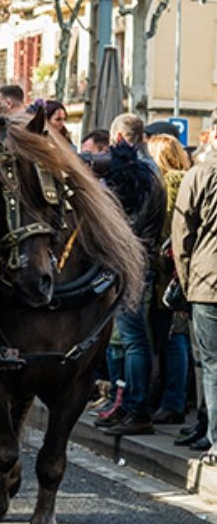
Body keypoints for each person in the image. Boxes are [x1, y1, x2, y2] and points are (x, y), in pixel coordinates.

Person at [97, 113, 167, 436]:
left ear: (120, 138)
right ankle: (128, 405)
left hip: (133, 263)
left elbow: (130, 225)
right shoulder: (146, 169)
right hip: (137, 260)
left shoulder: (141, 172)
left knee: (134, 339)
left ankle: (137, 408)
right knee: (129, 339)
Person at [174, 116, 217, 464]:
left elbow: (182, 235)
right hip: (206, 280)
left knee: (213, 364)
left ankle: (216, 439)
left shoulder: (200, 174)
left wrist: (187, 283)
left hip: (208, 282)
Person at [147, 133, 193, 426]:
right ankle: (172, 397)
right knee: (174, 338)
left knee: (174, 338)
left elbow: (168, 229)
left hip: (168, 272)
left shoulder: (166, 183)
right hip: (177, 270)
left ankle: (173, 400)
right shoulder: (185, 178)